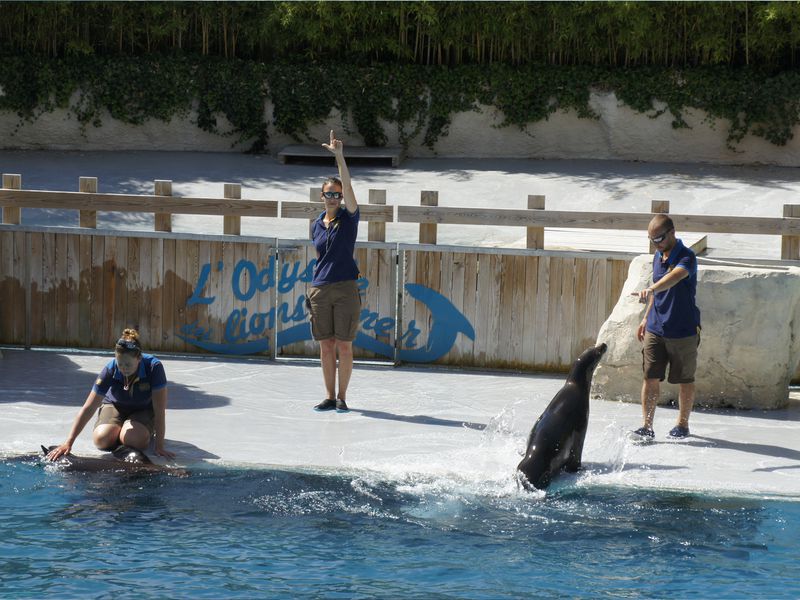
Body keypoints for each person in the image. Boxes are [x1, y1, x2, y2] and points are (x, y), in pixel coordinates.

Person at [46, 328, 175, 460]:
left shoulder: (154, 367)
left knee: (134, 441)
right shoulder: (110, 369)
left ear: (139, 358)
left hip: (144, 409)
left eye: (128, 364)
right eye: (120, 364)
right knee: (102, 440)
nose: (124, 368)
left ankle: (135, 431)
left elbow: (160, 410)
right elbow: (88, 408)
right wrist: (68, 442)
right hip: (115, 406)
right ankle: (119, 431)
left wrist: (159, 446)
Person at [630, 214, 701, 440]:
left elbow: (673, 278)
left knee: (685, 379)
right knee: (650, 377)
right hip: (655, 329)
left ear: (672, 232)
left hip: (683, 330)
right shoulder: (658, 256)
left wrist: (651, 289)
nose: (656, 244)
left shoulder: (687, 256)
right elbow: (657, 290)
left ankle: (682, 424)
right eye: (652, 240)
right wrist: (645, 318)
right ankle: (646, 426)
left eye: (659, 239)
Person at [306, 130, 360, 412]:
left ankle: (342, 397)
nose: (334, 198)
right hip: (320, 288)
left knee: (344, 344)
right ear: (322, 195)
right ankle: (328, 396)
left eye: (337, 195)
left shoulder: (349, 218)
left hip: (345, 288)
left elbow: (348, 186)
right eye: (329, 194)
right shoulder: (316, 224)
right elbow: (320, 256)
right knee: (326, 345)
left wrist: (339, 156)